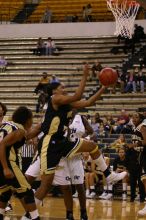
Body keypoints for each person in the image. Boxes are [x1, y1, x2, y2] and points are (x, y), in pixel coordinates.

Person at [28, 64, 127, 207]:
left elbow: (88, 102)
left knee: (92, 146)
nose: (64, 89)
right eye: (62, 87)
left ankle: (109, 175)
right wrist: (85, 75)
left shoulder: (66, 104)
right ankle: (30, 214)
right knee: (46, 185)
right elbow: (78, 95)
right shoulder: (55, 98)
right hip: (50, 143)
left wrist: (104, 86)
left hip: (61, 141)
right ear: (55, 91)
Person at [0, 106, 40, 220]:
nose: (32, 121)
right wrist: (5, 168)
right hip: (7, 163)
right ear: (27, 119)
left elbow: (25, 137)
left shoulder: (7, 125)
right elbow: (2, 145)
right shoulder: (20, 130)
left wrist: (41, 127)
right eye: (31, 118)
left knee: (5, 192)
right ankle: (34, 218)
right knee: (28, 192)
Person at [126, 112, 146, 204]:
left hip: (141, 154)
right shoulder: (134, 127)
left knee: (140, 177)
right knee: (133, 176)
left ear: (140, 118)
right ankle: (132, 197)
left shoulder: (142, 127)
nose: (134, 119)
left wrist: (134, 144)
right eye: (133, 117)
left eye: (136, 117)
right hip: (133, 154)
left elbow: (145, 141)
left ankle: (142, 197)